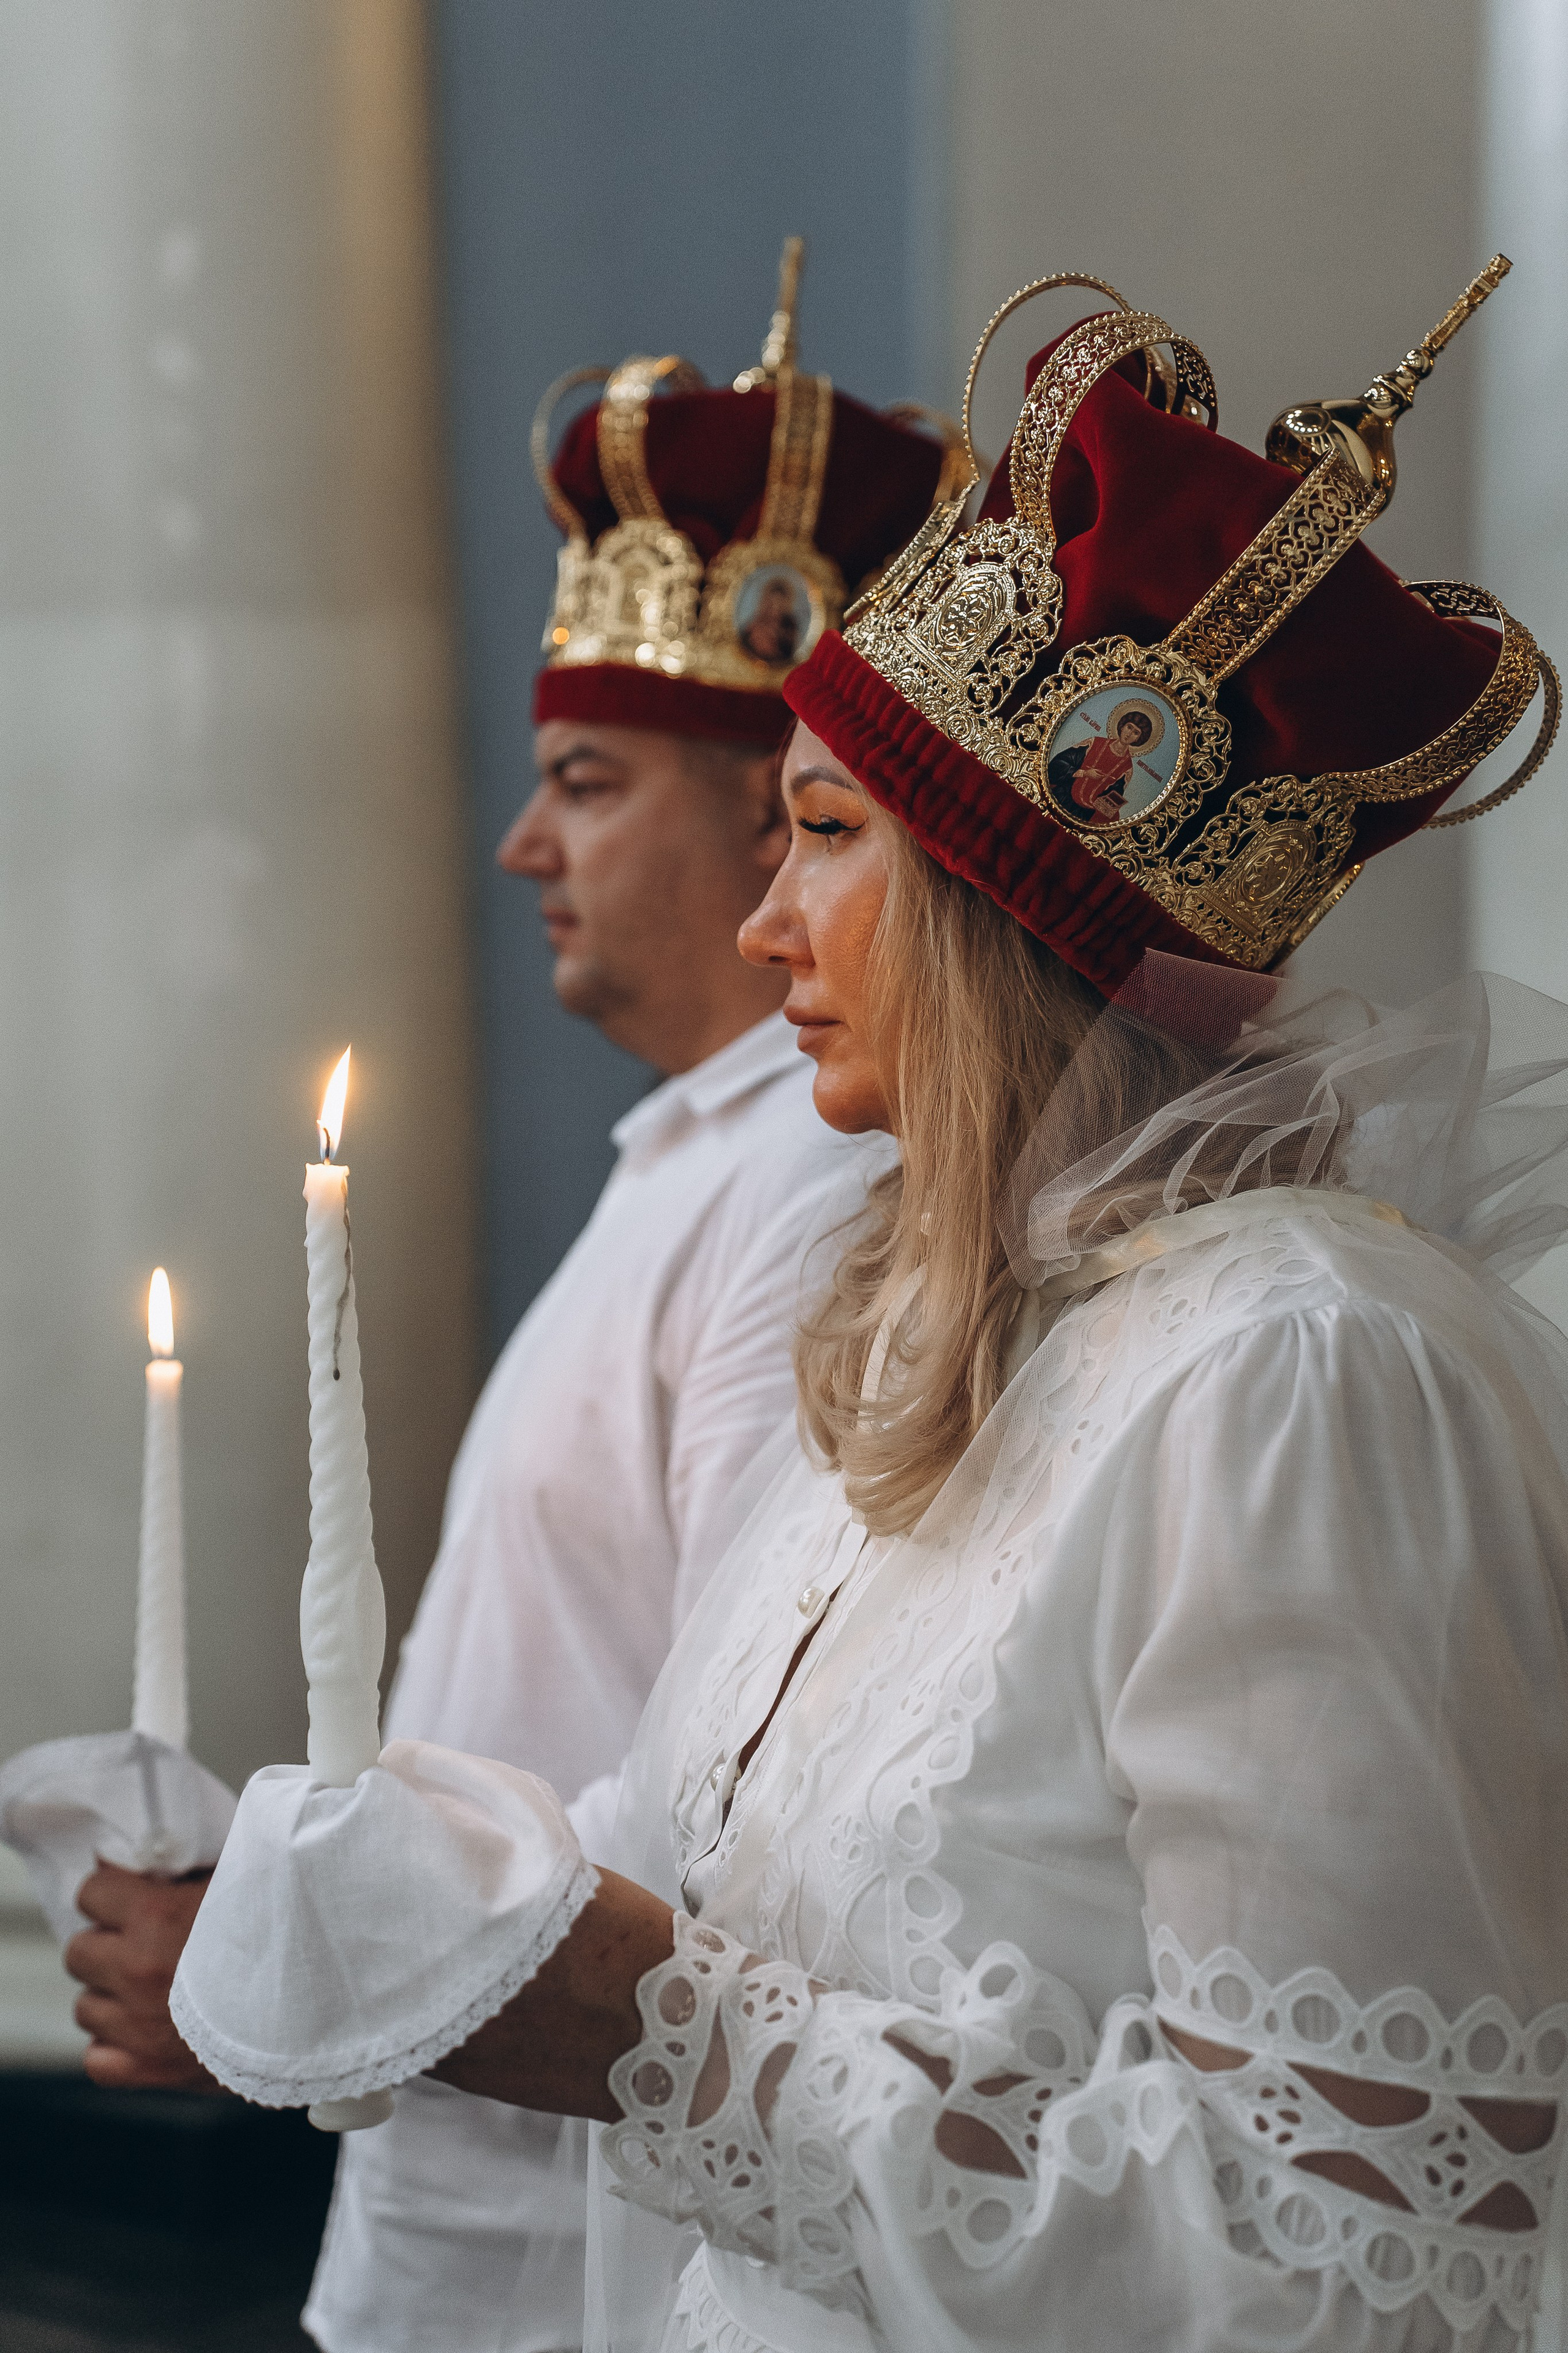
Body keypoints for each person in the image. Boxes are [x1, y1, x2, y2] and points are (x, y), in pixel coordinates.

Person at [292, 273, 1566, 2350]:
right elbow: (726, 1872)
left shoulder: (1299, 1375)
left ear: (996, 912)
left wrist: (667, 2041)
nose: (765, 916)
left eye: (818, 832)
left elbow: (1356, 2269)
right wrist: (373, 1880)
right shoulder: (959, 1331)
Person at [61, 254, 954, 2353]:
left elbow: (749, 1785)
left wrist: (278, 1945)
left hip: (608, 2250)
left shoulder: (821, 1183)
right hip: (478, 2195)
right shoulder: (706, 1158)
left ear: (777, 809)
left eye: (585, 782)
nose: (516, 845)